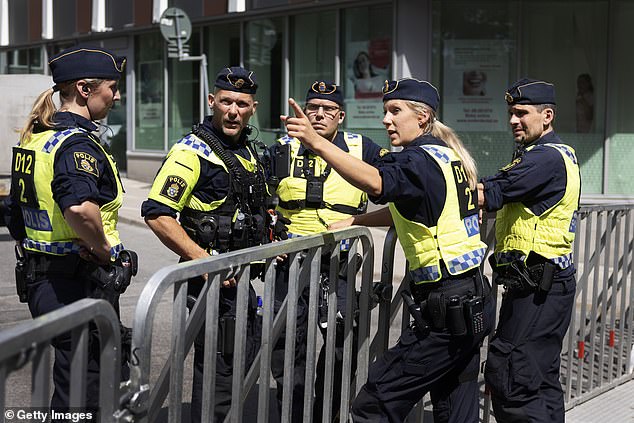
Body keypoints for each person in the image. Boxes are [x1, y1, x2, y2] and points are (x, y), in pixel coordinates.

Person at [282, 77, 494, 422]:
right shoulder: (447, 156)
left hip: (446, 308)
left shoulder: (416, 160)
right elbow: (410, 205)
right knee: (456, 409)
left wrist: (316, 143)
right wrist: (356, 222)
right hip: (470, 299)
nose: (386, 120)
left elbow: (377, 182)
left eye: (395, 111)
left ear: (422, 118)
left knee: (374, 406)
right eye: (385, 111)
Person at [141, 67, 285, 422]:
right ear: (211, 102)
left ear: (254, 107)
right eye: (225, 102)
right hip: (210, 284)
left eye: (241, 103)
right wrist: (204, 261)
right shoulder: (192, 151)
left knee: (239, 364)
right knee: (220, 373)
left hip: (240, 283)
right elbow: (158, 214)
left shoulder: (249, 151)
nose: (232, 111)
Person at [6, 46, 134, 416]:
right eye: (112, 87)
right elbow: (79, 209)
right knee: (84, 391)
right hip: (74, 283)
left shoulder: (38, 137)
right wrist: (105, 251)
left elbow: (16, 215)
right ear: (84, 89)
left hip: (44, 279)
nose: (117, 95)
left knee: (74, 381)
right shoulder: (74, 143)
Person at [268, 80, 387, 421]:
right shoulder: (282, 147)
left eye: (327, 110)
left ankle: (326, 414)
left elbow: (396, 180)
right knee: (288, 349)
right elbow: (258, 198)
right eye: (312, 108)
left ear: (341, 116)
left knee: (341, 348)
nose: (318, 115)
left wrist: (359, 220)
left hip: (340, 265)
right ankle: (293, 415)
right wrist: (268, 234)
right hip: (289, 265)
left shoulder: (361, 147)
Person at [478, 78, 580, 422]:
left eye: (521, 113)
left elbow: (493, 190)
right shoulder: (544, 155)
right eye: (510, 113)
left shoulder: (546, 158)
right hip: (542, 283)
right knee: (540, 377)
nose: (512, 120)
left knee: (512, 377)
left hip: (539, 287)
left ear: (546, 116)